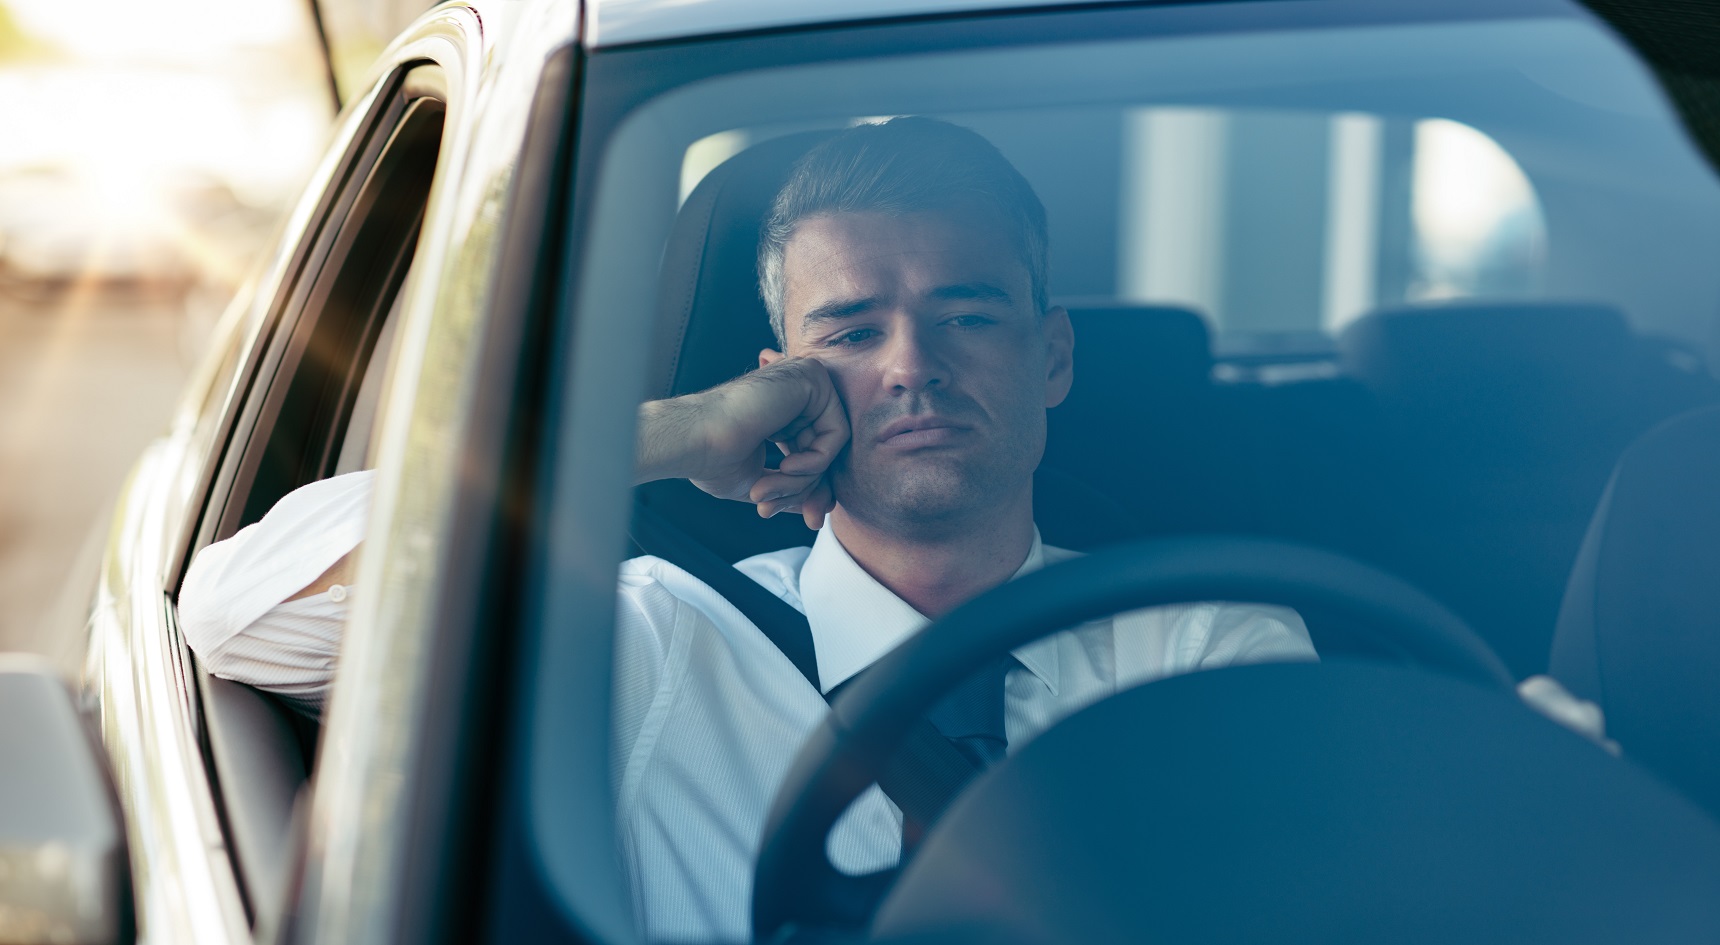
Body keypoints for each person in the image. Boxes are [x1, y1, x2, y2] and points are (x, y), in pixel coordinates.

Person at [178, 118, 1592, 942]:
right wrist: (671, 433)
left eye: (970, 314)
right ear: (778, 370)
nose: (914, 363)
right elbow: (243, 613)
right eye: (850, 330)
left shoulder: (1199, 636)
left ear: (1050, 360)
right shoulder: (657, 633)